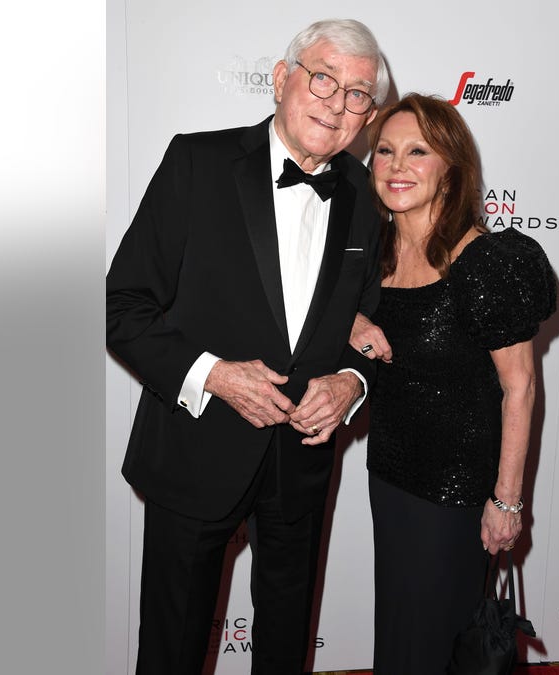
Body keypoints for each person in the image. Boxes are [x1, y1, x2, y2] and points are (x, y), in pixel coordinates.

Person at [106, 19, 389, 675]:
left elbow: (369, 319)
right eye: (323, 78)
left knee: (286, 646)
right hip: (196, 449)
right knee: (173, 648)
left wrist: (352, 381)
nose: (335, 102)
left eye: (356, 94)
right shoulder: (197, 164)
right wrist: (211, 375)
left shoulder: (367, 198)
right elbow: (122, 305)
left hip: (303, 462)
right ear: (282, 79)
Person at [348, 93, 557, 675]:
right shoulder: (374, 254)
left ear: (452, 167)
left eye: (418, 151)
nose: (397, 166)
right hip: (389, 476)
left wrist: (506, 501)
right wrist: (353, 320)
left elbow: (521, 388)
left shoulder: (486, 261)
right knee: (399, 632)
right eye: (385, 151)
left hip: (457, 494)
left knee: (438, 644)